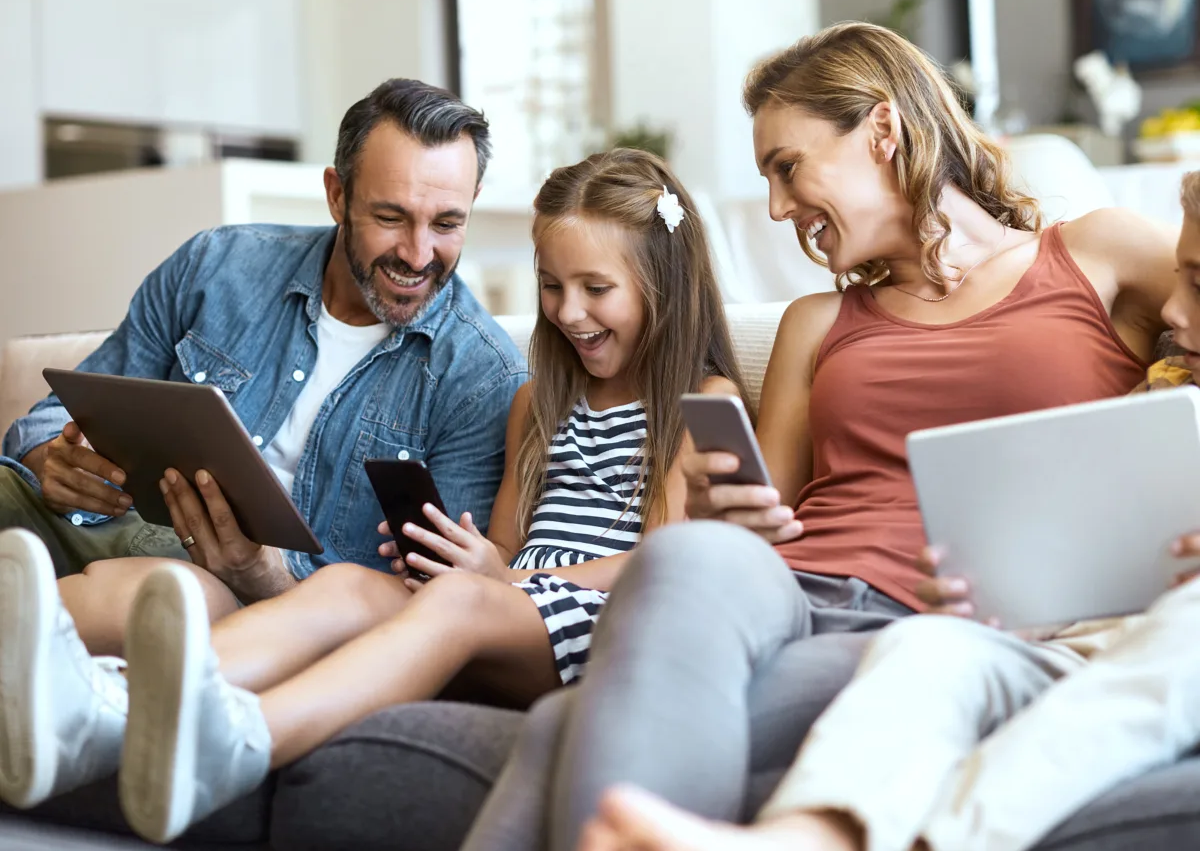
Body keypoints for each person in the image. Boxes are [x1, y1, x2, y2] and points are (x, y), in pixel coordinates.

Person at [458, 22, 1179, 851]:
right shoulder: (818, 322)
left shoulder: (1097, 255)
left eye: (787, 168)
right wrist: (726, 513)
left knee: (562, 727)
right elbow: (770, 513)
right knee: (690, 554)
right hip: (786, 591)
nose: (777, 207)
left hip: (927, 615)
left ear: (881, 130)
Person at [0, 149, 750, 843]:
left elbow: (661, 563)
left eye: (596, 290)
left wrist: (502, 584)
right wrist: (474, 561)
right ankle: (116, 701)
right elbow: (506, 547)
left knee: (453, 601)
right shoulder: (538, 404)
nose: (568, 312)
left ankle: (239, 739)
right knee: (356, 584)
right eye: (552, 286)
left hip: (596, 616)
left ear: (663, 284)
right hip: (503, 609)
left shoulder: (698, 402)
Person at [574, 171, 1200, 851]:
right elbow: (1098, 538)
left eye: (1197, 281)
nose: (1172, 307)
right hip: (1070, 642)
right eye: (1181, 278)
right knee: (931, 645)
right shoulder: (1164, 395)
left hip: (1166, 645)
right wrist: (1009, 593)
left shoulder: (1095, 259)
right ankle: (807, 836)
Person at [0, 79, 525, 800]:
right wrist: (50, 454)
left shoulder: (481, 377)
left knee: (171, 597)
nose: (418, 252)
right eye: (391, 217)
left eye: (448, 224)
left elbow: (419, 614)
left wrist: (262, 576)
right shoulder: (218, 268)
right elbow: (55, 412)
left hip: (223, 592)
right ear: (337, 195)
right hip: (91, 515)